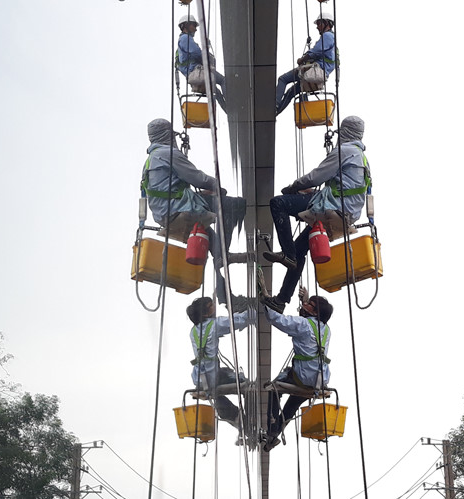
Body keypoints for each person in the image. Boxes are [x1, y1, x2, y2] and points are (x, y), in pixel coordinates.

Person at [262, 116, 370, 313]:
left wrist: (293, 187)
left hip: (332, 207)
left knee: (279, 204)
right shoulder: (362, 158)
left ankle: (287, 255)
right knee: (299, 249)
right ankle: (281, 299)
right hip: (345, 215)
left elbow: (315, 177)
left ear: (345, 132)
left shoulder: (344, 151)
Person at [142, 118, 248, 309]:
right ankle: (226, 252)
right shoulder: (168, 154)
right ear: (167, 134)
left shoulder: (149, 161)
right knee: (235, 205)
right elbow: (197, 178)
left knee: (212, 246)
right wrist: (217, 186)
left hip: (166, 214)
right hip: (180, 208)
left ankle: (226, 296)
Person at [261, 290, 333, 451]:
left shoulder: (303, 325)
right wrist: (307, 301)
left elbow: (277, 319)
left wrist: (265, 301)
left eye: (309, 305)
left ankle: (272, 429)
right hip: (319, 380)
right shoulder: (325, 329)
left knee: (274, 389)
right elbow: (310, 325)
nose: (304, 306)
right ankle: (273, 435)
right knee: (292, 404)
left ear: (314, 312)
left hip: (303, 376)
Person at [187, 297, 249, 431]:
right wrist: (255, 312)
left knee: (217, 392)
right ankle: (244, 417)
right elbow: (236, 321)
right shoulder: (215, 325)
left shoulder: (193, 332)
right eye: (211, 305)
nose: (215, 306)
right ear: (205, 314)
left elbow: (207, 339)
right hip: (212, 375)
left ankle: (237, 418)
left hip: (199, 378)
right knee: (244, 382)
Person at [275, 12, 337, 116]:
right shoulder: (334, 43)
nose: (317, 27)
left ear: (327, 23)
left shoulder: (328, 36)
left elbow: (317, 50)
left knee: (283, 79)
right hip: (319, 76)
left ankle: (275, 104)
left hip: (314, 71)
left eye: (319, 24)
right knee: (291, 92)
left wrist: (303, 58)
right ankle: (275, 113)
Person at [176, 14, 227, 111]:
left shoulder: (182, 43)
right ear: (186, 25)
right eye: (193, 26)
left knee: (215, 92)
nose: (195, 29)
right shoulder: (185, 38)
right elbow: (197, 52)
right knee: (223, 80)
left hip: (193, 76)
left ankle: (229, 111)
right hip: (198, 72)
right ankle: (232, 104)